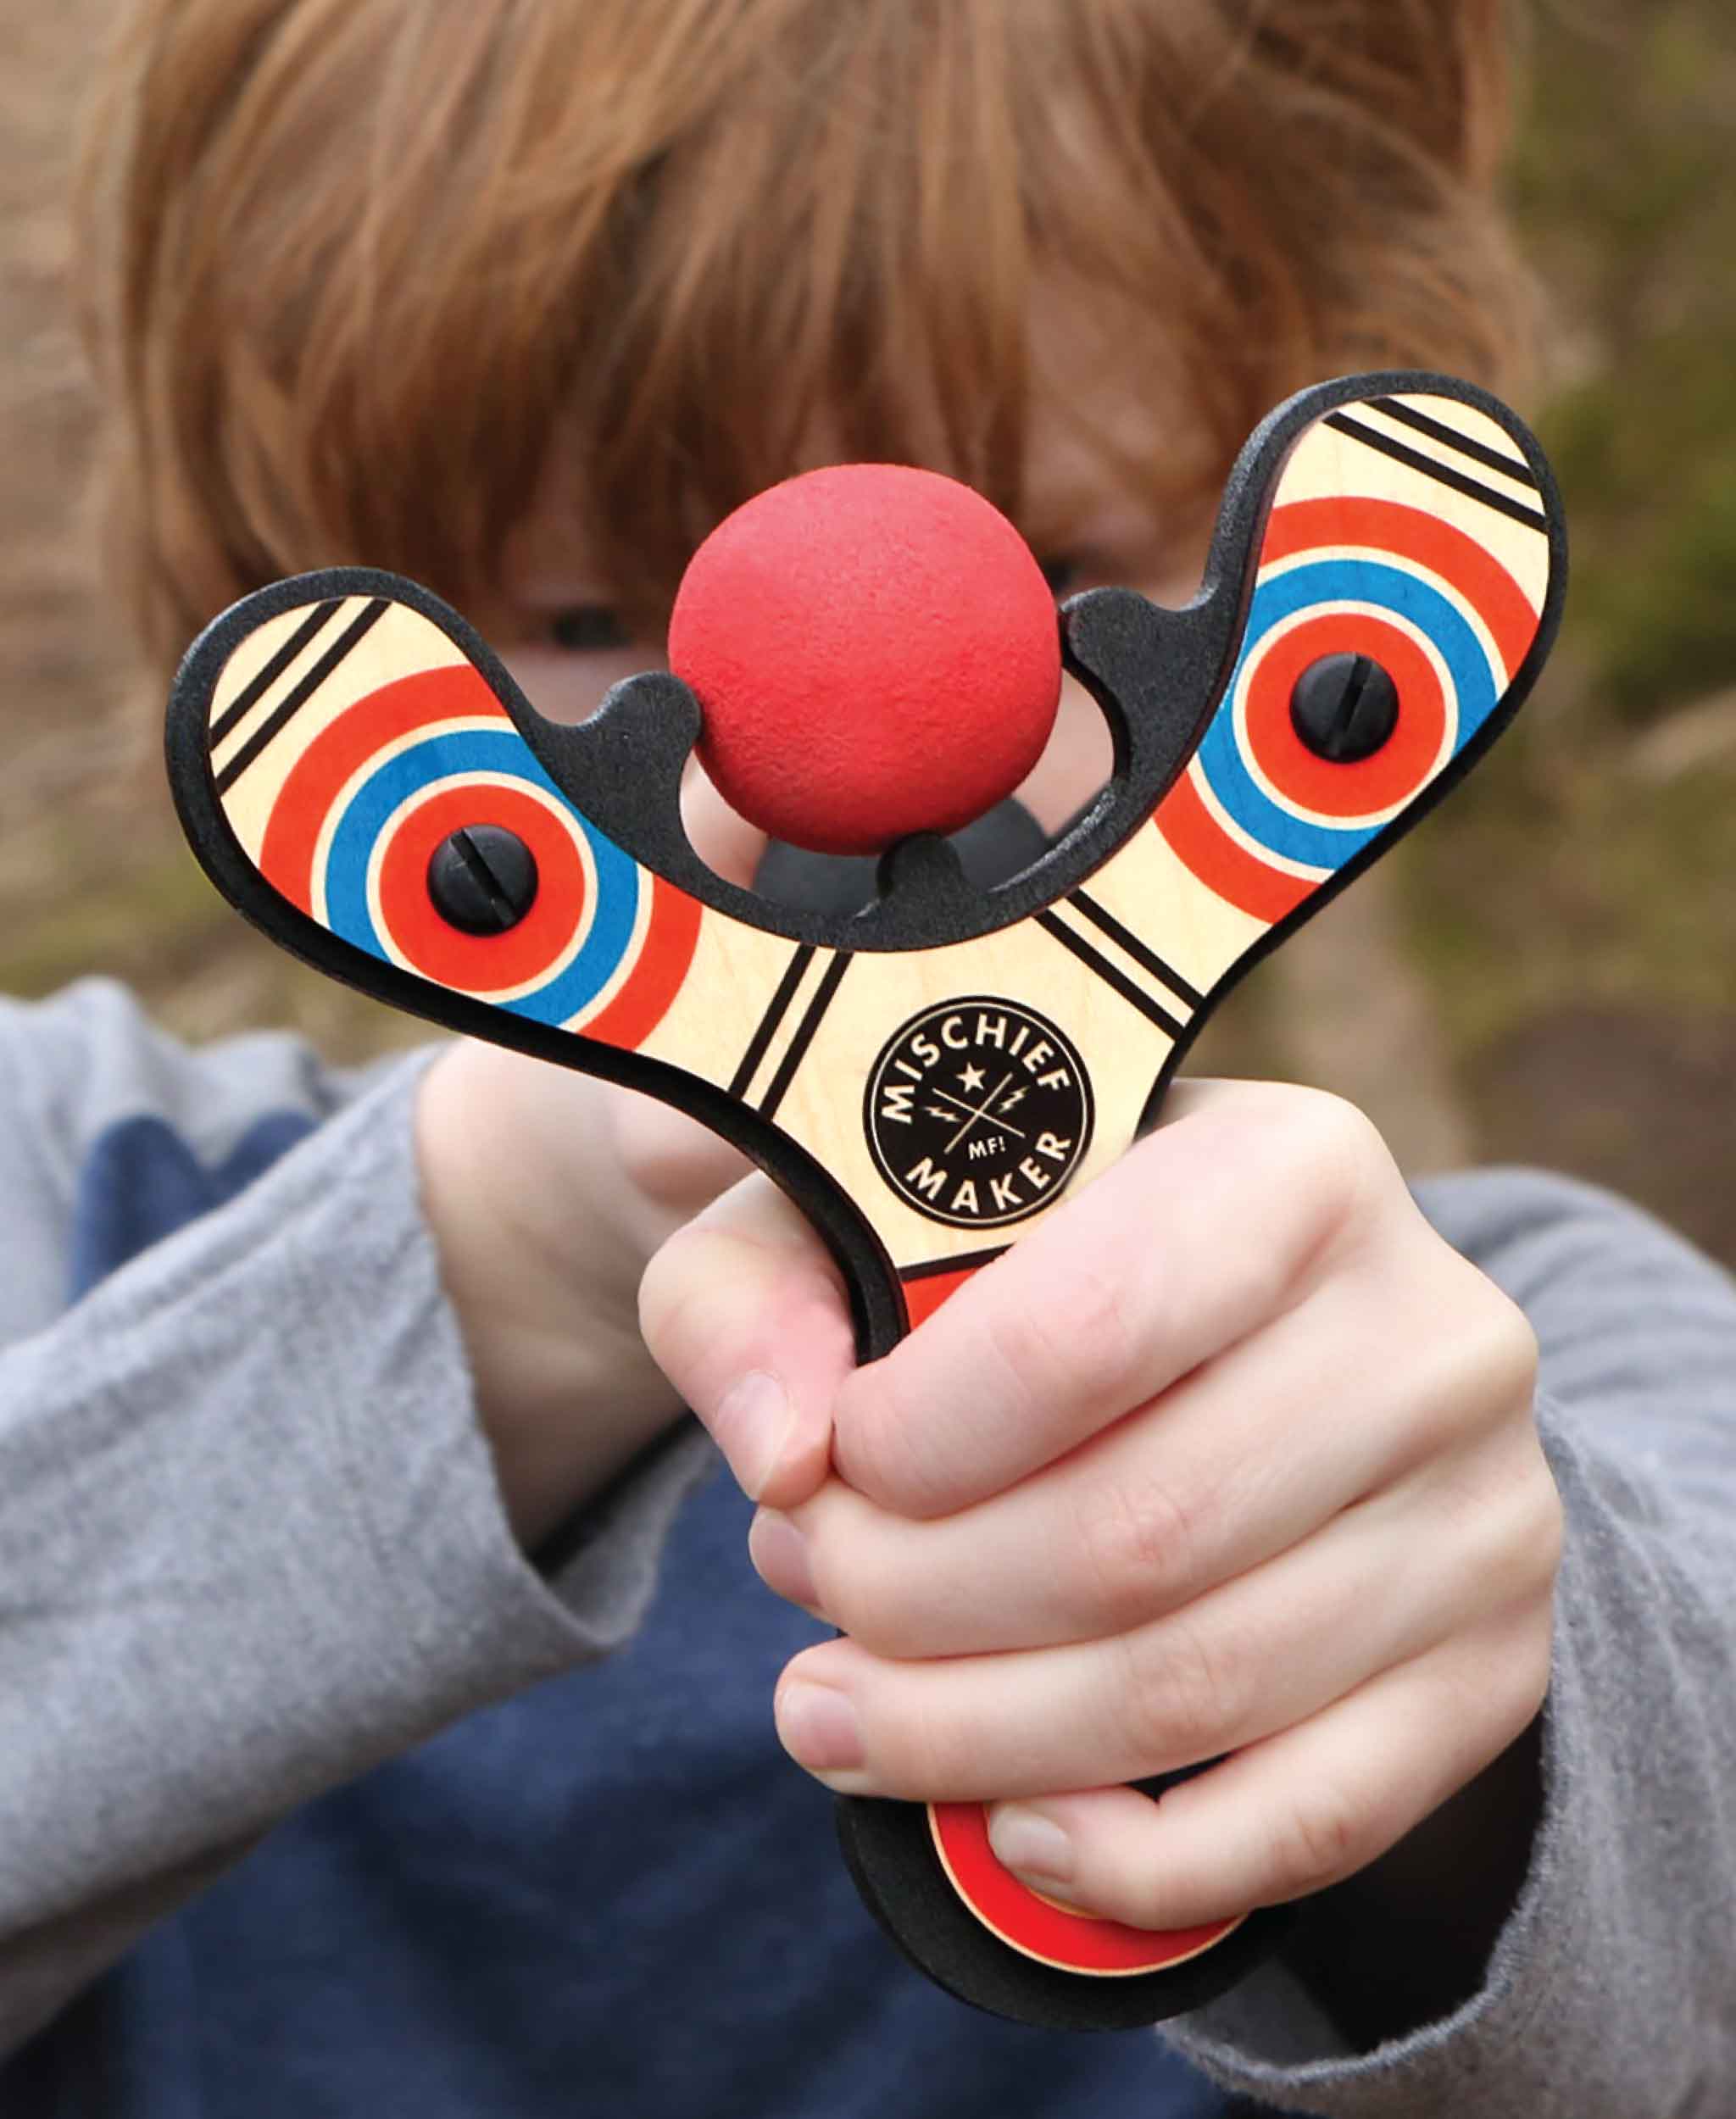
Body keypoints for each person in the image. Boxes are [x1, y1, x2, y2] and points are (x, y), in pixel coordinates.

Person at [2, 1, 1730, 2112]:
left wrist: (1473, 1749)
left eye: (1047, 577)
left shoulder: (1530, 1348)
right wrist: (497, 1267)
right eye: (575, 607)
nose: (818, 771)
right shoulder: (51, 1181)